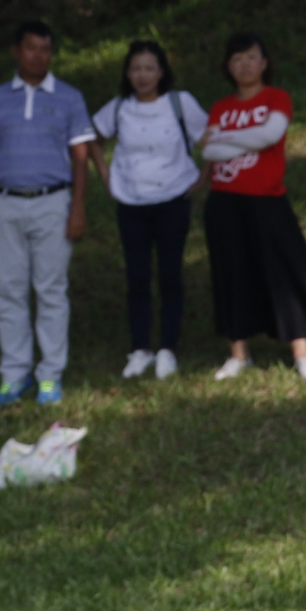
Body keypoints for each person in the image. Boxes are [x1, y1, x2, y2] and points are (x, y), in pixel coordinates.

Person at [200, 31, 306, 380]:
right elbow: (209, 152)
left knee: (285, 272)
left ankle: (301, 352)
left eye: (251, 57)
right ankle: (238, 354)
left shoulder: (277, 98)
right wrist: (241, 141)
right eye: (236, 59)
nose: (244, 65)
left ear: (264, 63)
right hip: (224, 202)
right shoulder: (221, 107)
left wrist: (226, 139)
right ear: (227, 66)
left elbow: (270, 135)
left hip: (267, 200)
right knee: (232, 273)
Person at [0, 20, 96, 407]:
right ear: (16, 51)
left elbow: (80, 158)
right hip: (6, 202)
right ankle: (14, 374)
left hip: (53, 202)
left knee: (51, 290)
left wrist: (77, 206)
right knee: (8, 290)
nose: (38, 56)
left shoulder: (70, 98)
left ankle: (50, 375)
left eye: (45, 49)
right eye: (31, 48)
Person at [88, 41, 209, 381]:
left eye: (150, 68)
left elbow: (211, 137)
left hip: (173, 199)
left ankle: (168, 348)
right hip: (131, 202)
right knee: (137, 276)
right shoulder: (119, 108)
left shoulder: (179, 103)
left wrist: (204, 176)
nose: (142, 76)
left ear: (161, 72)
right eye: (136, 69)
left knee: (170, 274)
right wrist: (106, 174)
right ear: (128, 73)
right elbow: (91, 138)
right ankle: (140, 349)